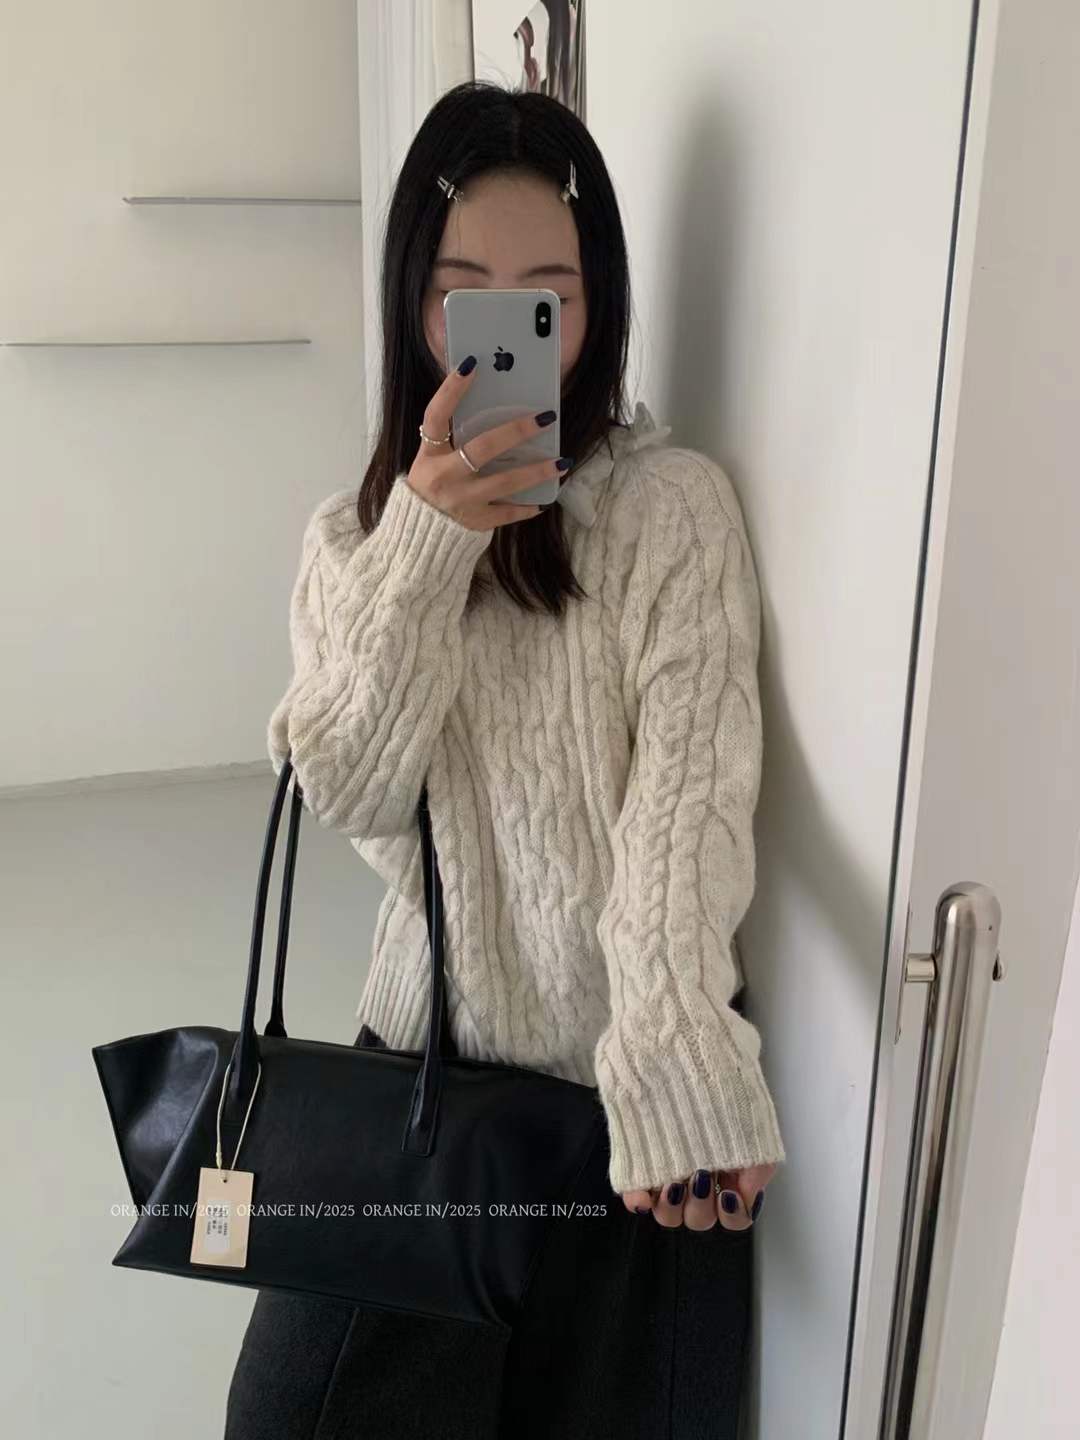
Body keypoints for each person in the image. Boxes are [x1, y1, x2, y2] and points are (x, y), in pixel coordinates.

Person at [225, 79, 785, 1439]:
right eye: (463, 292)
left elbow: (687, 813)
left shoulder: (670, 512)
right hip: (423, 1084)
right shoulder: (351, 543)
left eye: (550, 295)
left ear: (596, 311)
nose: (508, 330)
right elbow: (348, 788)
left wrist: (671, 1054)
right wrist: (428, 544)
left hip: (625, 1116)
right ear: (413, 303)